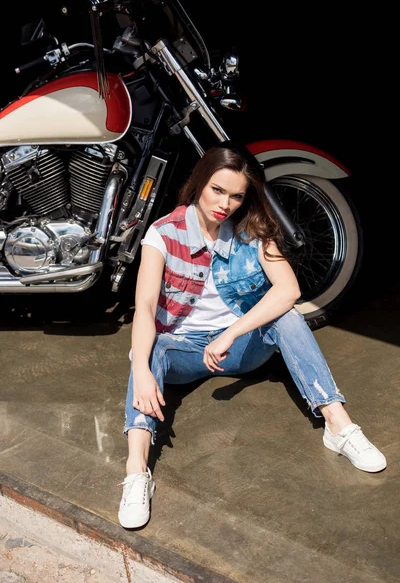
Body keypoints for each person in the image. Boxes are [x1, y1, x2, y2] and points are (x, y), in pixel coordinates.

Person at [118, 141, 386, 529]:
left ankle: (338, 426)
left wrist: (231, 333)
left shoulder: (252, 230)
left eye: (236, 196)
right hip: (183, 352)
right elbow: (143, 308)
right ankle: (136, 472)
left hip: (238, 349)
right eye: (217, 190)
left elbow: (288, 290)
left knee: (287, 318)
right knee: (151, 349)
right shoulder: (163, 234)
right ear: (199, 183)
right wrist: (142, 369)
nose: (224, 204)